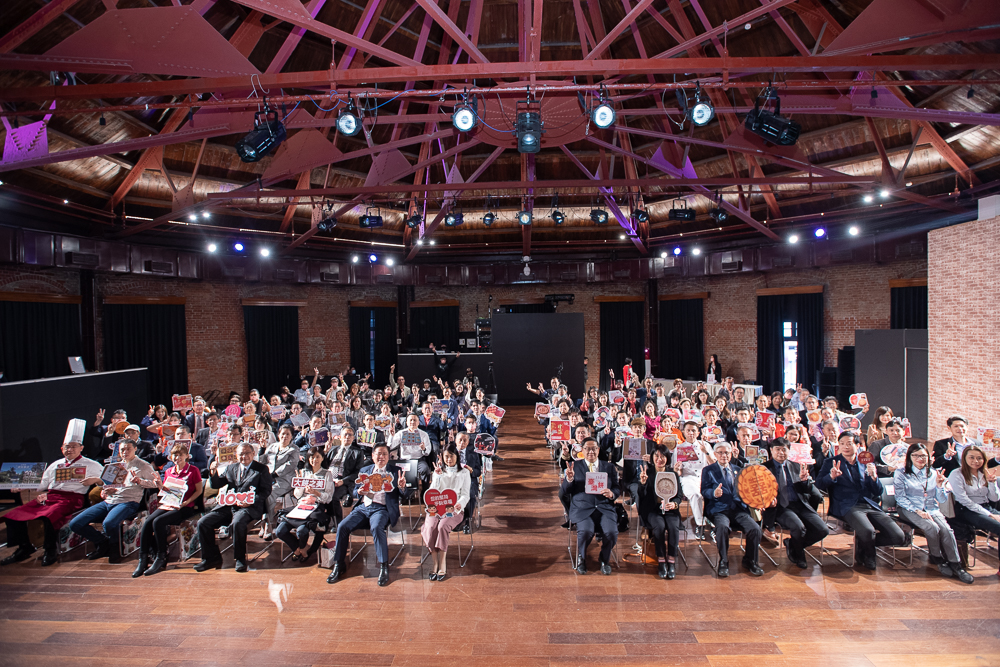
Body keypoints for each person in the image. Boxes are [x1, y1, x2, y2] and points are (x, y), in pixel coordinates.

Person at [2, 420, 104, 566]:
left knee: (50, 515)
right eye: (67, 447)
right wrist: (22, 487)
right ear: (62, 448)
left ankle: (50, 550)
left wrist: (95, 480)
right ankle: (24, 547)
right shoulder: (55, 464)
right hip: (50, 497)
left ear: (81, 448)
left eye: (74, 447)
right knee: (13, 515)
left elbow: (107, 479)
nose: (70, 450)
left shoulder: (91, 464)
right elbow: (43, 482)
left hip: (73, 499)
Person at [816, 431, 906, 571]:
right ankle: (869, 557)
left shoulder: (866, 462)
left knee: (898, 536)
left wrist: (874, 477)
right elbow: (819, 485)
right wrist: (831, 477)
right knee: (868, 530)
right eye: (842, 444)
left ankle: (863, 541)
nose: (845, 447)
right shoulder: (831, 462)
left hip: (868, 504)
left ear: (858, 445)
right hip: (846, 505)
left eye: (849, 443)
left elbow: (877, 492)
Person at [327, 443, 412, 587]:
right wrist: (358, 492)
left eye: (385, 454)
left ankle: (384, 566)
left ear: (389, 456)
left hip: (382, 508)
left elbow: (406, 495)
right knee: (342, 526)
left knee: (377, 527)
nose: (381, 457)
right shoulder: (365, 470)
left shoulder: (396, 471)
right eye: (378, 454)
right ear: (373, 456)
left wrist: (402, 486)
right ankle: (339, 564)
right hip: (364, 507)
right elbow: (355, 491)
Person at [68, 438, 159, 563]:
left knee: (109, 523)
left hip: (128, 502)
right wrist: (105, 490)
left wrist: (140, 481)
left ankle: (115, 547)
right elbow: (106, 485)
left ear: (135, 449)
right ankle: (102, 542)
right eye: (122, 449)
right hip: (110, 501)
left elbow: (155, 484)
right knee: (75, 523)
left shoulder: (143, 465)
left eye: (128, 449)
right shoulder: (115, 466)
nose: (125, 452)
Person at [893, 444, 973, 583]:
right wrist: (917, 511)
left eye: (923, 456)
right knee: (932, 527)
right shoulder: (901, 473)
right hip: (908, 509)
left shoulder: (934, 473)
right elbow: (900, 498)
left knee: (947, 530)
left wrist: (940, 486)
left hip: (931, 508)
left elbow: (941, 499)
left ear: (928, 457)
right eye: (916, 455)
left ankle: (956, 564)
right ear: (910, 457)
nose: (920, 459)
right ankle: (937, 557)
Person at [195, 443, 272, 573]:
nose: (244, 456)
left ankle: (240, 558)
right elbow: (216, 485)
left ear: (253, 454)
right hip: (229, 505)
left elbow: (266, 491)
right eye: (241, 454)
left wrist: (251, 501)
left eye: (247, 453)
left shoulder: (262, 469)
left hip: (249, 507)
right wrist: (213, 471)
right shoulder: (231, 468)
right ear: (236, 455)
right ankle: (210, 558)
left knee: (238, 522)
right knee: (203, 523)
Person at [136, 443, 204, 577]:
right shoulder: (169, 471)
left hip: (185, 506)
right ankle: (143, 558)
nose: (177, 457)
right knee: (148, 521)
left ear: (186, 456)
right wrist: (160, 486)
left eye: (180, 454)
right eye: (175, 455)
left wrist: (186, 502)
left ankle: (161, 557)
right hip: (169, 503)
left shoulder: (193, 470)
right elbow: (167, 491)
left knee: (158, 522)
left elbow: (199, 491)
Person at [763, 438, 829, 569]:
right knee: (798, 527)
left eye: (784, 449)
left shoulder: (797, 466)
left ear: (789, 451)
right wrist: (767, 501)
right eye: (778, 449)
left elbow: (807, 490)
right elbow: (759, 490)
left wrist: (805, 481)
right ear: (771, 450)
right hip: (780, 507)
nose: (781, 452)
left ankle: (793, 544)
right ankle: (799, 555)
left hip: (800, 504)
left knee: (823, 530)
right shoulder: (764, 468)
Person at [700, 442, 764, 577]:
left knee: (755, 529)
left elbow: (747, 490)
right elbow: (704, 490)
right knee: (722, 528)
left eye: (727, 453)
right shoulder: (708, 470)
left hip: (739, 509)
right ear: (715, 455)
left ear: (731, 454)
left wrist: (756, 501)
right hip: (719, 509)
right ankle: (724, 561)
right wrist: (713, 493)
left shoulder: (738, 469)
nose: (724, 455)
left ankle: (750, 560)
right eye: (721, 453)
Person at [560, 438, 619, 576]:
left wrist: (612, 493)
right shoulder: (574, 466)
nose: (591, 451)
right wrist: (568, 480)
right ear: (582, 450)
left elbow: (617, 487)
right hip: (582, 508)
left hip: (604, 507)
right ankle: (581, 558)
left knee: (611, 533)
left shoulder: (609, 467)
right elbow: (564, 492)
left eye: (594, 448)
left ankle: (604, 558)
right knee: (586, 531)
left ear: (598, 450)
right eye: (587, 448)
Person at [276, 446, 337, 563]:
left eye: (317, 457)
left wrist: (316, 493)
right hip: (301, 506)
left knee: (302, 531)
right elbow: (298, 495)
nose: (315, 460)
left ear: (322, 458)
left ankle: (302, 549)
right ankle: (300, 549)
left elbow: (328, 497)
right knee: (280, 531)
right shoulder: (303, 473)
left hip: (317, 507)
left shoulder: (327, 474)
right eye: (312, 457)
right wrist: (300, 486)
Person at [947, 445, 1000, 576]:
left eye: (979, 458)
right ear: (964, 458)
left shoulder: (984, 473)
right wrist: (990, 515)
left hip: (985, 507)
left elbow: (994, 498)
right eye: (971, 457)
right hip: (965, 510)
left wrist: (992, 483)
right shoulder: (956, 474)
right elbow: (964, 500)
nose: (975, 461)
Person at [422, 444, 472, 581]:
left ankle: (442, 562)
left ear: (457, 456)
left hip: (453, 509)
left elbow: (466, 495)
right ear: (442, 458)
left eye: (451, 456)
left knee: (442, 526)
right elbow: (432, 493)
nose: (449, 459)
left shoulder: (464, 472)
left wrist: (458, 505)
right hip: (436, 508)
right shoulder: (439, 472)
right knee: (430, 527)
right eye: (446, 457)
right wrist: (437, 477)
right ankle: (435, 562)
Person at [637, 444, 682, 579]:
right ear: (652, 457)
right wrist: (643, 483)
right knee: (659, 527)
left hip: (670, 510)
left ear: (667, 458)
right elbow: (641, 496)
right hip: (653, 510)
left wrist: (674, 504)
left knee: (674, 527)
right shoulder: (647, 473)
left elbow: (679, 495)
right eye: (656, 456)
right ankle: (661, 560)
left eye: (662, 456)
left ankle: (672, 560)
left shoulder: (672, 474)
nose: (659, 459)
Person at [258, 424, 301, 540]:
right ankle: (264, 520)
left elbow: (290, 465)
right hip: (268, 478)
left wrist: (274, 474)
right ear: (278, 435)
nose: (285, 436)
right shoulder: (272, 447)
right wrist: (262, 449)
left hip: (284, 480)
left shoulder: (294, 449)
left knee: (269, 494)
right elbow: (261, 461)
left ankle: (268, 523)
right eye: (283, 433)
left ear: (292, 436)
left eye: (288, 434)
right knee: (259, 493)